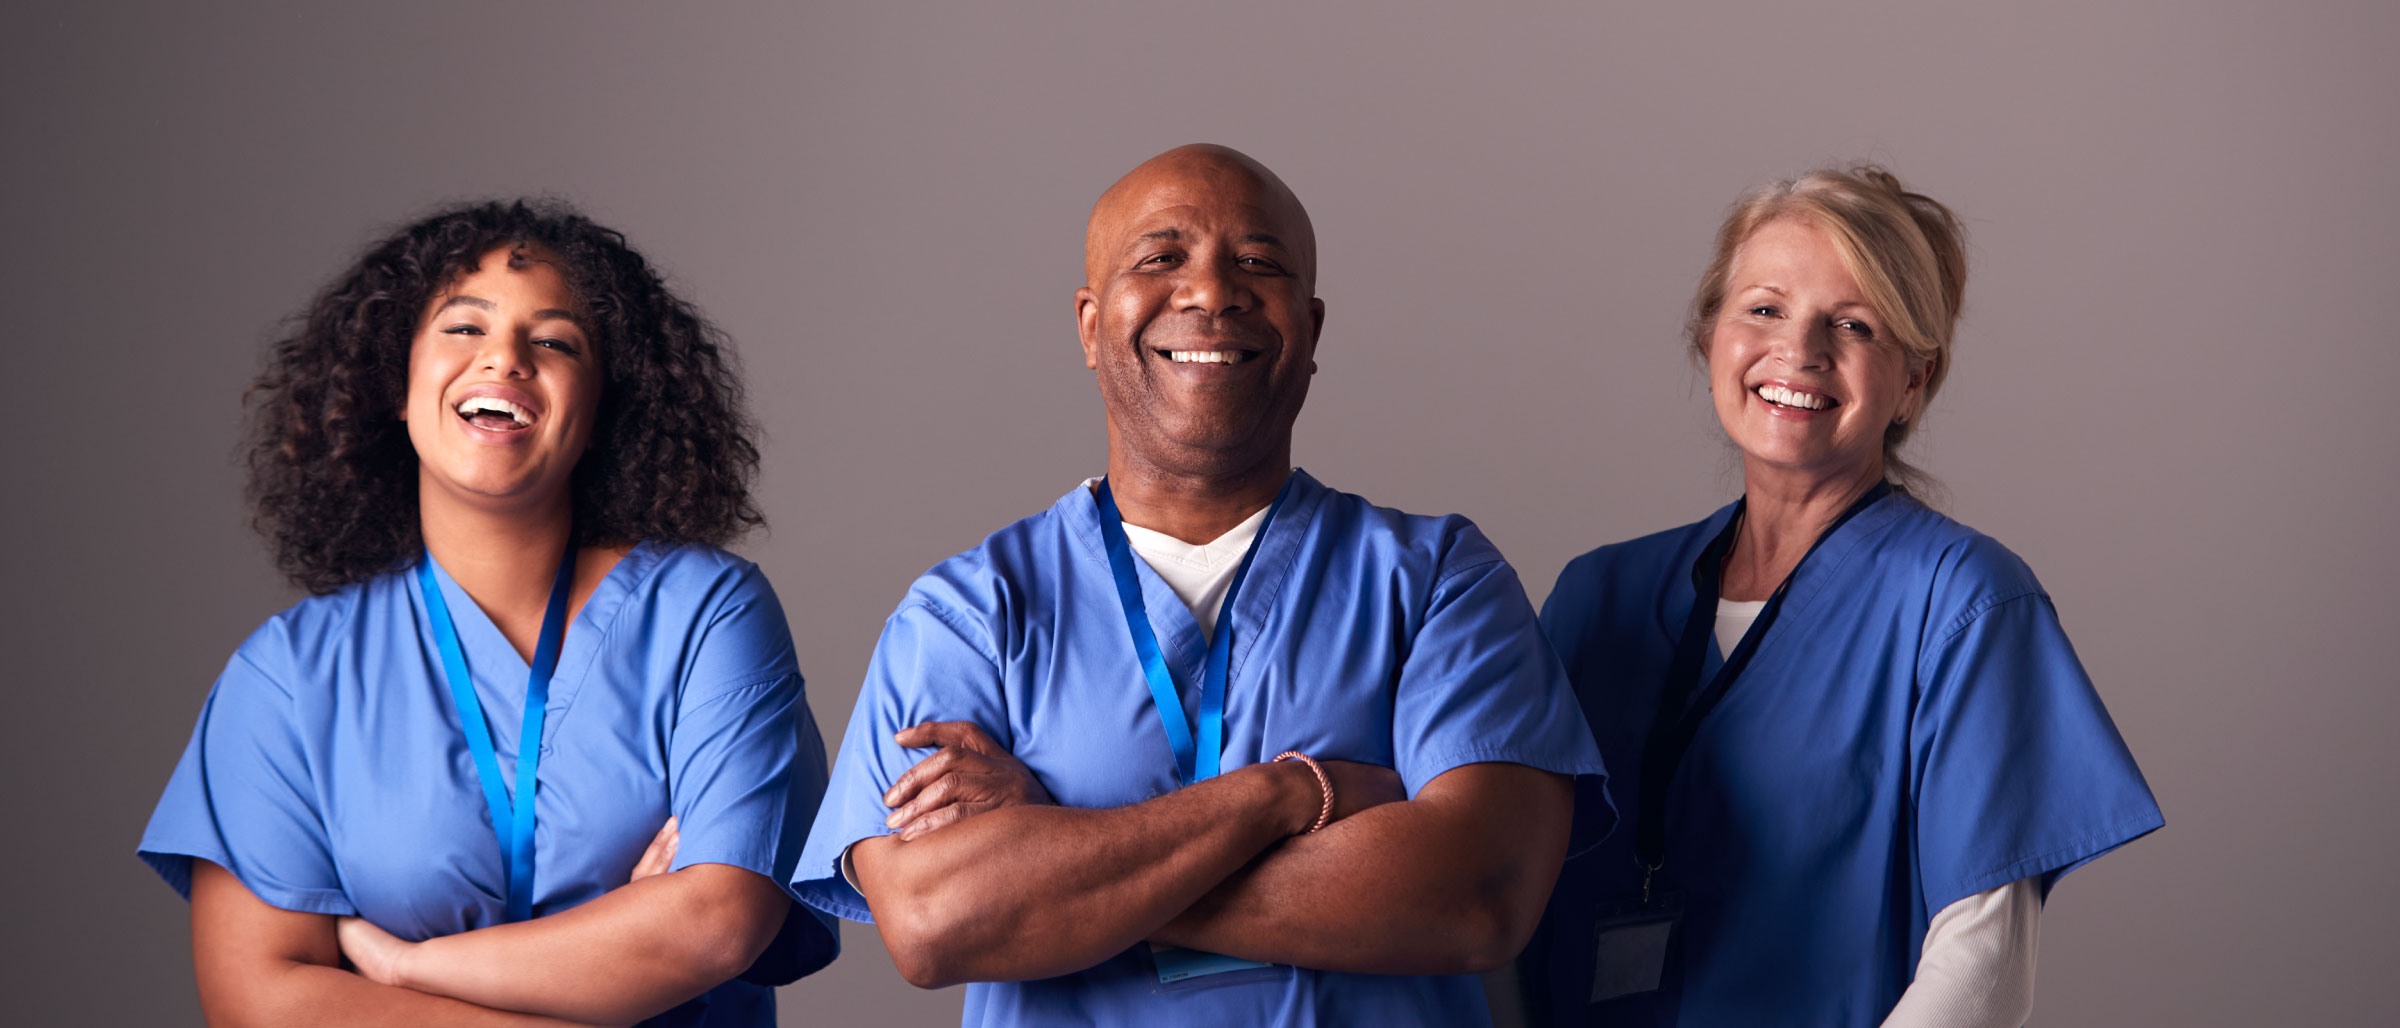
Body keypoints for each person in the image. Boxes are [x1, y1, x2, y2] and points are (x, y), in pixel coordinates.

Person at [790, 144, 1609, 1026]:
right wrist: (1290, 795)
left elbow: (1477, 896)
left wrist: (1057, 864)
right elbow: (935, 923)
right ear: (1089, 324)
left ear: (1313, 327)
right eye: (1161, 259)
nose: (1213, 293)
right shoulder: (970, 614)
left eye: (1258, 263)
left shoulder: (1438, 581)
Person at [138, 201, 838, 1027]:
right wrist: (617, 962)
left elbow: (717, 926)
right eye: (462, 329)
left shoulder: (707, 616)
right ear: (395, 388)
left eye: (555, 341)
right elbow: (258, 999)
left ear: (601, 412)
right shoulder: (288, 677)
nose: (504, 358)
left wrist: (404, 970)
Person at [1516, 167, 2163, 1027]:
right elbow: (1498, 894)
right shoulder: (1597, 598)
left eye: (1853, 325)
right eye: (1764, 309)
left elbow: (1983, 964)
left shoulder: (1962, 603)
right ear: (1709, 334)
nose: (1800, 351)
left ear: (1913, 382)